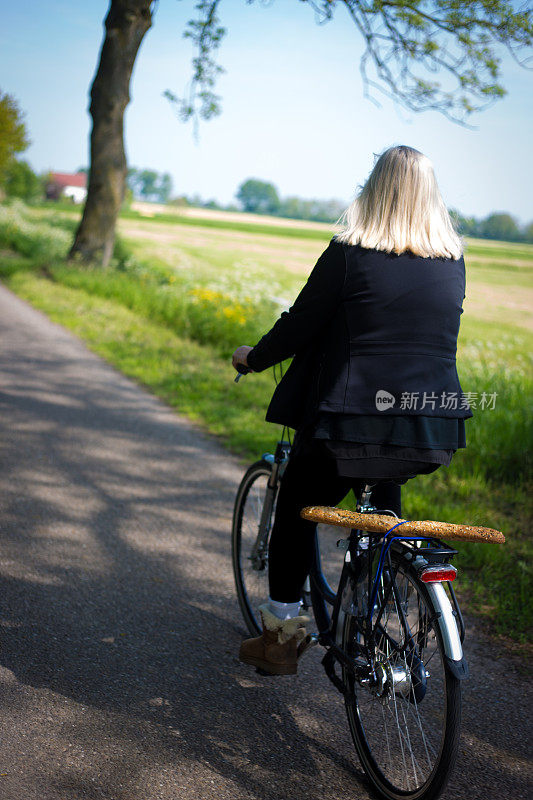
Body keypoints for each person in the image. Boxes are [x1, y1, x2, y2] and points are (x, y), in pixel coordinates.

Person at [232, 145, 473, 676]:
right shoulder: (452, 260)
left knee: (298, 507)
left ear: (373, 188)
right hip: (431, 422)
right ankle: (369, 611)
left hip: (351, 421)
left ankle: (279, 635)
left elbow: (300, 325)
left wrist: (255, 358)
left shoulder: (350, 253)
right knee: (384, 517)